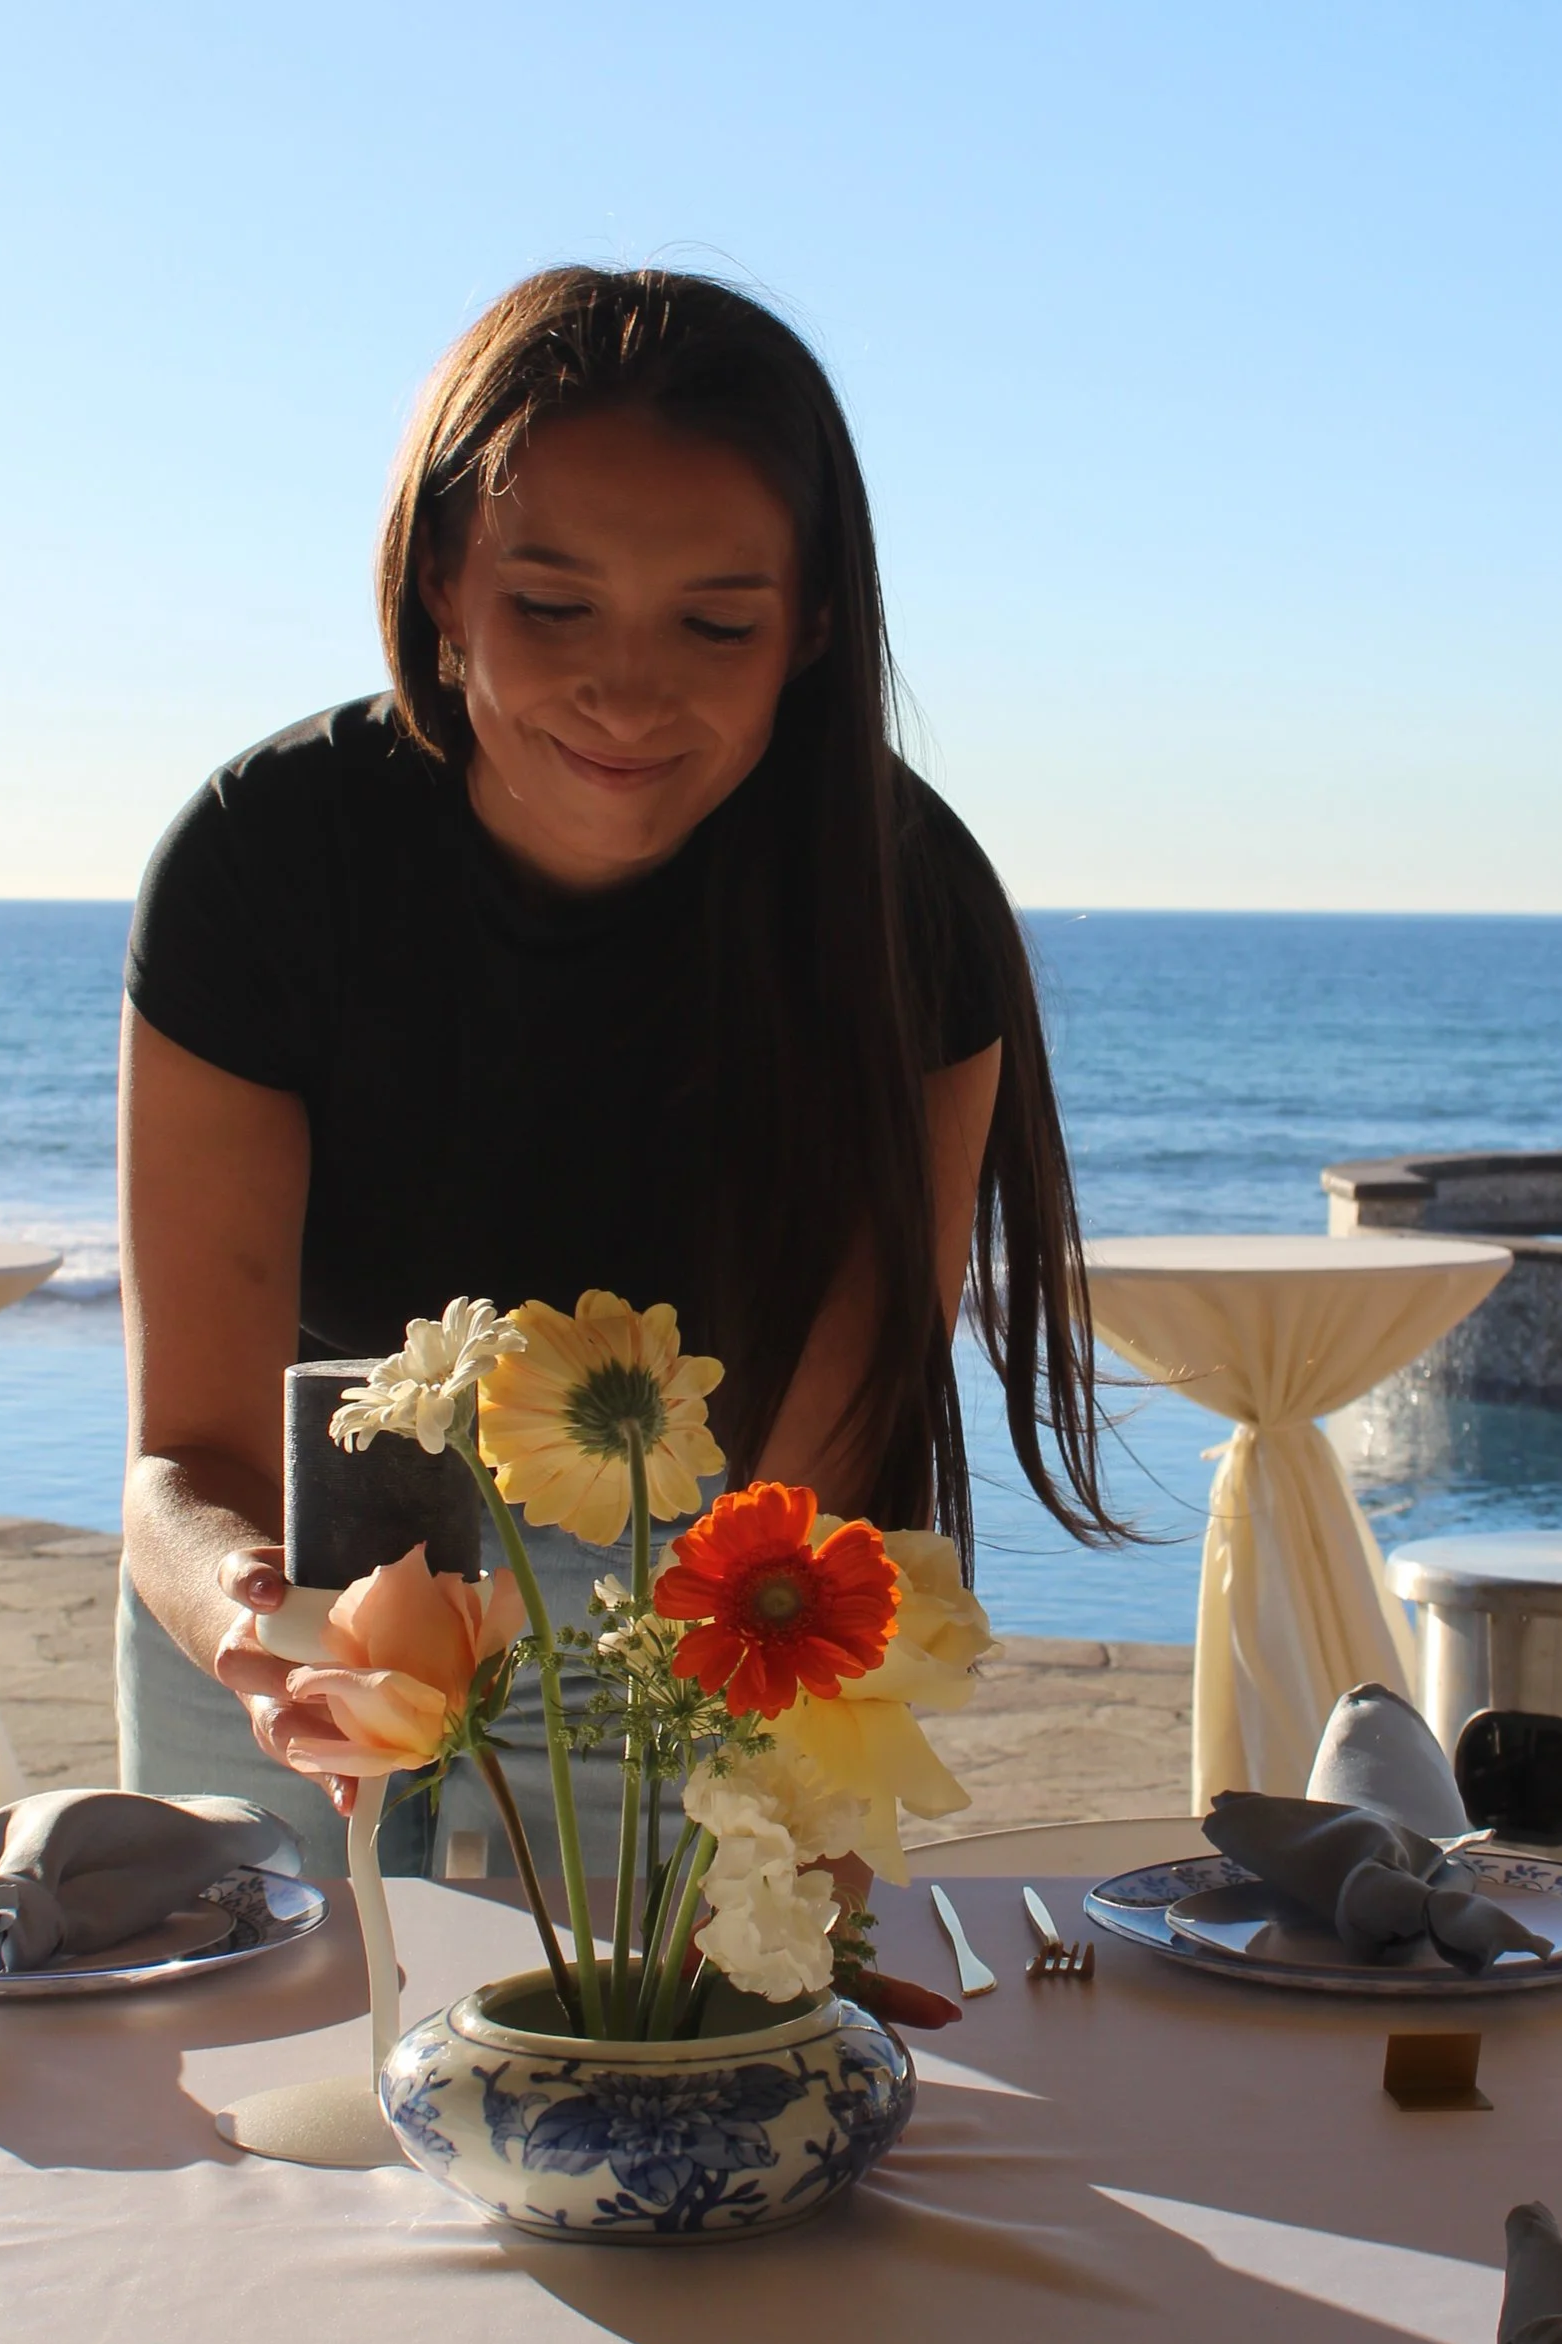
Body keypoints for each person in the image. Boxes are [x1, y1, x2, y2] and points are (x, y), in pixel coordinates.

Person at [117, 265, 1120, 1877]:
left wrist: (784, 1824)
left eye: (714, 622)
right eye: (552, 605)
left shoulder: (897, 901)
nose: (628, 688)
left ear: (806, 630)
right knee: (275, 2105)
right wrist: (257, 1618)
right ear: (443, 580)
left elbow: (821, 1474)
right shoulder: (267, 861)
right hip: (309, 1598)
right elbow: (187, 1461)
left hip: (701, 1632)